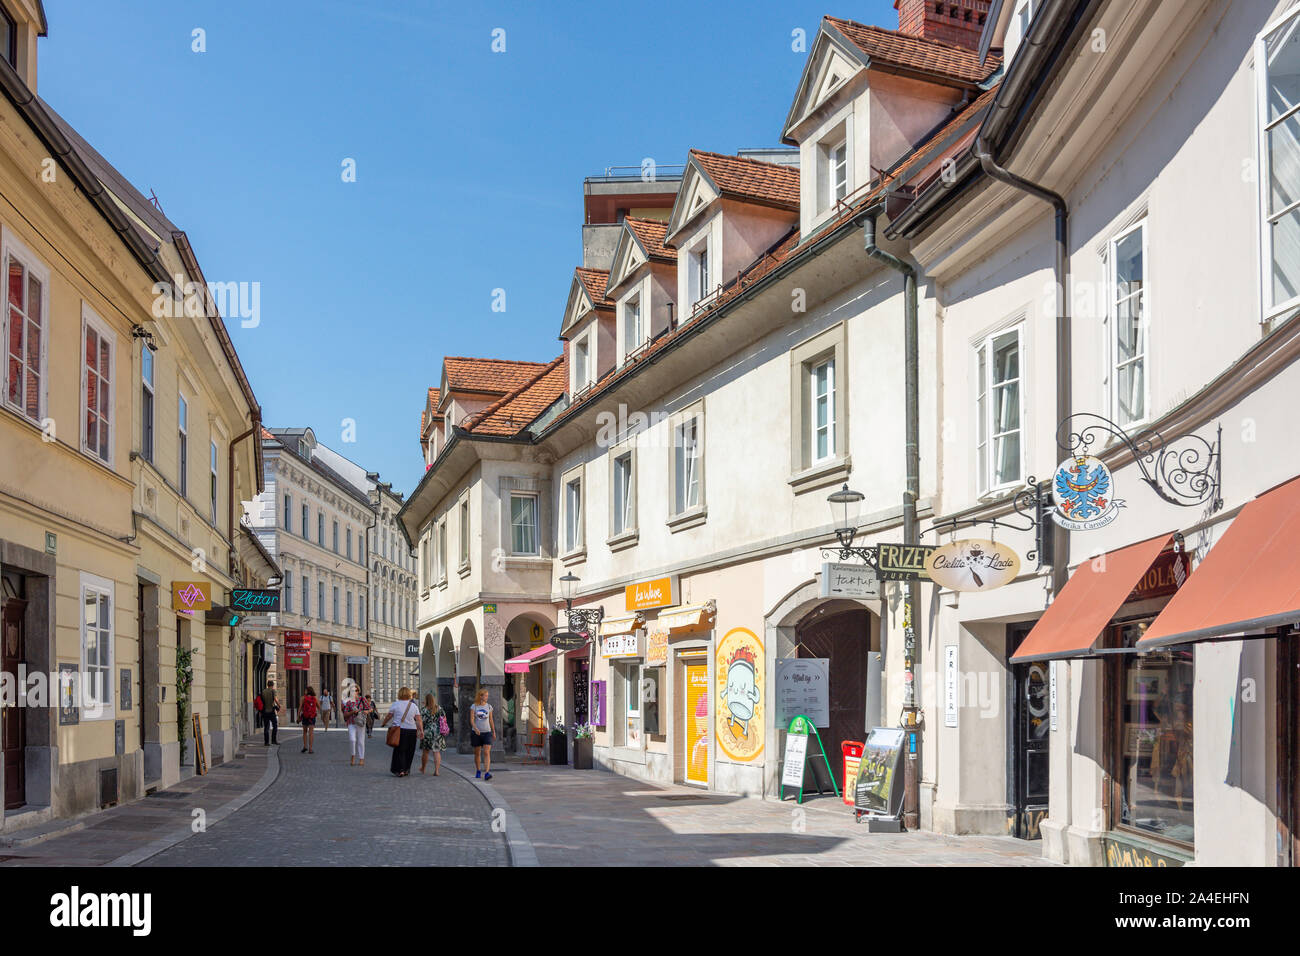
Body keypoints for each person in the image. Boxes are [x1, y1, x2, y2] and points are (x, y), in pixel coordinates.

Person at [382, 687, 422, 777]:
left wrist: (383, 723)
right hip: (412, 730)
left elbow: (389, 716)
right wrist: (421, 731)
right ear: (409, 694)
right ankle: (407, 769)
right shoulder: (413, 706)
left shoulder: (395, 704)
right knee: (410, 751)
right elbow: (419, 720)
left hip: (400, 730)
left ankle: (400, 770)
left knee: (400, 750)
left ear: (399, 694)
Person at [418, 693, 448, 775]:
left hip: (427, 732)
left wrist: (420, 731)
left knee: (425, 752)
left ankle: (423, 769)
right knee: (436, 752)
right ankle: (437, 771)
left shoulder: (423, 710)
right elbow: (444, 719)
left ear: (426, 700)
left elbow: (421, 722)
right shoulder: (439, 708)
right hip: (437, 732)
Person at [470, 688, 495, 781]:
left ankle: (487, 773)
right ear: (481, 696)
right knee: (477, 753)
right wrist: (475, 729)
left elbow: (491, 720)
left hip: (487, 732)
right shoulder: (474, 706)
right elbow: (471, 720)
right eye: (486, 695)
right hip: (476, 733)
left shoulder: (489, 707)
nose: (487, 697)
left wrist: (494, 731)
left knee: (486, 752)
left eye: (487, 696)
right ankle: (478, 770)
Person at [343, 687, 372, 767]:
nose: (354, 692)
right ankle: (352, 755)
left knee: (361, 741)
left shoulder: (362, 699)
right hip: (351, 722)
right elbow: (345, 714)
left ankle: (361, 758)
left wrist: (367, 711)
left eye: (355, 690)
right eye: (352, 691)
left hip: (360, 722)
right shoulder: (348, 702)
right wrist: (352, 712)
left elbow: (370, 709)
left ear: (358, 691)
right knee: (352, 740)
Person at [299, 686, 319, 753]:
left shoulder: (303, 698)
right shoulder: (315, 698)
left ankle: (305, 746)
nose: (304, 691)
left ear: (307, 691)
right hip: (312, 717)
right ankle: (310, 748)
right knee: (311, 733)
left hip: (305, 716)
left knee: (304, 732)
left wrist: (298, 716)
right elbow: (319, 707)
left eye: (305, 690)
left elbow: (300, 707)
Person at [261, 680, 280, 746]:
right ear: (272, 685)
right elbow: (275, 699)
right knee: (275, 726)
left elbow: (262, 700)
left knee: (266, 727)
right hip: (271, 711)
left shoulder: (263, 691)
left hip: (265, 711)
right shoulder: (273, 691)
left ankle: (266, 742)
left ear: (267, 685)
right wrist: (279, 706)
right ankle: (273, 740)